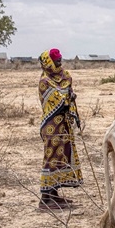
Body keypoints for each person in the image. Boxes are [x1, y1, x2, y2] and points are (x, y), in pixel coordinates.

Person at [37, 48, 83, 210]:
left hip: (63, 126)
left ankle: (54, 195)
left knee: (61, 158)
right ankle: (45, 198)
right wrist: (68, 98)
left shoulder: (65, 76)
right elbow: (60, 101)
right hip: (51, 126)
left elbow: (68, 93)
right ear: (48, 63)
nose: (59, 63)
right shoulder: (45, 82)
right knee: (51, 159)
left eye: (60, 60)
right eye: (56, 61)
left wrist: (70, 97)